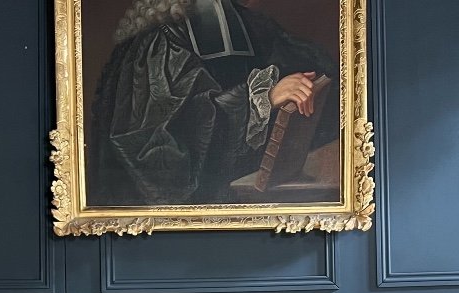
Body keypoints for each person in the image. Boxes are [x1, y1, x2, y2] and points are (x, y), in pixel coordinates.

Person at [89, 0, 338, 206]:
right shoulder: (161, 40)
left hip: (254, 203)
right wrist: (264, 98)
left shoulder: (252, 24)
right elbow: (156, 148)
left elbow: (319, 69)